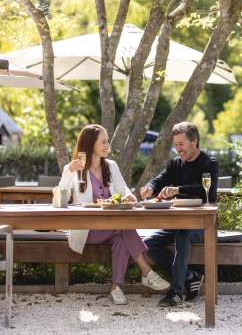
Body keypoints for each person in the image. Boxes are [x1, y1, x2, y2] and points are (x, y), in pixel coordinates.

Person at [58, 124, 169, 305]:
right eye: (103, 141)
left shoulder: (111, 166)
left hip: (113, 229)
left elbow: (125, 192)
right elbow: (61, 197)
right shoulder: (74, 169)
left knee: (121, 237)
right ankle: (147, 272)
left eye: (107, 141)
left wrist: (129, 197)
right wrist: (69, 172)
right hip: (87, 230)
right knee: (123, 229)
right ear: (90, 144)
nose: (107, 145)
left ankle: (116, 287)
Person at [140, 121, 218, 307]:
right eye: (175, 145)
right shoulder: (176, 163)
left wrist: (177, 189)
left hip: (202, 225)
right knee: (146, 244)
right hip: (177, 223)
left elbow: (207, 192)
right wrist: (150, 186)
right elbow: (160, 179)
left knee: (183, 236)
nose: (178, 149)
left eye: (181, 144)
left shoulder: (209, 163)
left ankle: (176, 292)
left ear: (194, 141)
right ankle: (191, 276)